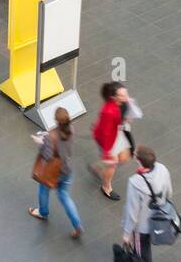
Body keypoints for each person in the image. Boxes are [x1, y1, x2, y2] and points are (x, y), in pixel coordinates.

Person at [122, 144, 172, 262]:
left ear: (138, 161)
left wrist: (126, 233)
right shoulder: (162, 170)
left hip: (142, 228)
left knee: (143, 256)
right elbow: (169, 191)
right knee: (146, 253)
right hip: (158, 219)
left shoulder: (135, 182)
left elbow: (132, 211)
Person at [29, 107, 83, 237]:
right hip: (68, 170)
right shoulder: (71, 130)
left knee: (43, 189)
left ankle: (43, 212)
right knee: (64, 196)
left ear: (56, 121)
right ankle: (77, 225)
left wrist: (41, 142)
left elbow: (48, 157)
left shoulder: (51, 137)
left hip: (55, 173)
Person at [91, 81, 132, 200]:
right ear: (114, 97)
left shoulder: (123, 102)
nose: (126, 97)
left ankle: (99, 167)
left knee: (124, 157)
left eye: (126, 93)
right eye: (123, 95)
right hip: (108, 140)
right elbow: (106, 133)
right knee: (112, 164)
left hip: (116, 133)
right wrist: (108, 153)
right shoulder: (108, 111)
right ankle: (106, 187)